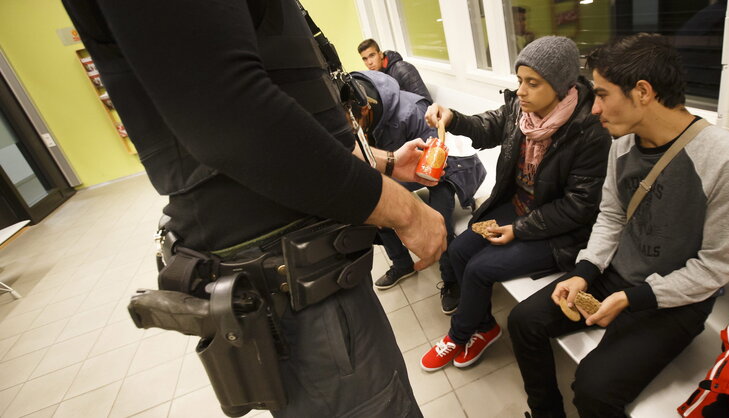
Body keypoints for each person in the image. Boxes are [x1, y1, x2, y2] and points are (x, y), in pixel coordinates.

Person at [60, 0, 447, 416]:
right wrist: (407, 212)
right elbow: (229, 115)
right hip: (294, 277)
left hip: (313, 266)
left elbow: (295, 105)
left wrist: (383, 162)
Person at [507, 33, 729, 417]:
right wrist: (584, 272)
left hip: (676, 300)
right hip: (616, 274)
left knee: (593, 389)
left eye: (603, 95)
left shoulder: (727, 162)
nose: (594, 109)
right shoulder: (622, 144)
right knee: (524, 320)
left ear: (643, 91)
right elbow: (611, 216)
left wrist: (633, 299)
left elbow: (716, 267)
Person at [421, 36, 611, 372]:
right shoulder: (521, 110)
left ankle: (459, 334)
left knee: (480, 269)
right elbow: (487, 126)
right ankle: (484, 328)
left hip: (559, 230)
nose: (521, 90)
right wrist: (452, 118)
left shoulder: (589, 131)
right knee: (460, 249)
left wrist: (518, 230)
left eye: (532, 83)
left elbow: (579, 207)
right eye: (519, 80)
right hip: (519, 207)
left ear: (561, 86)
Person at [350, 70, 486, 314]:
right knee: (379, 206)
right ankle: (401, 264)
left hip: (447, 165)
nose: (351, 129)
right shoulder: (356, 111)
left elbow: (437, 162)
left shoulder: (411, 111)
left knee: (437, 219)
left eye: (353, 123)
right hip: (407, 166)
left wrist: (415, 212)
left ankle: (452, 279)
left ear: (365, 110)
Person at [358, 38, 433, 102]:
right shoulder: (377, 75)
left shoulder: (403, 69)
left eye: (372, 55)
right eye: (365, 59)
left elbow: (425, 102)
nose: (369, 62)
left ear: (380, 54)